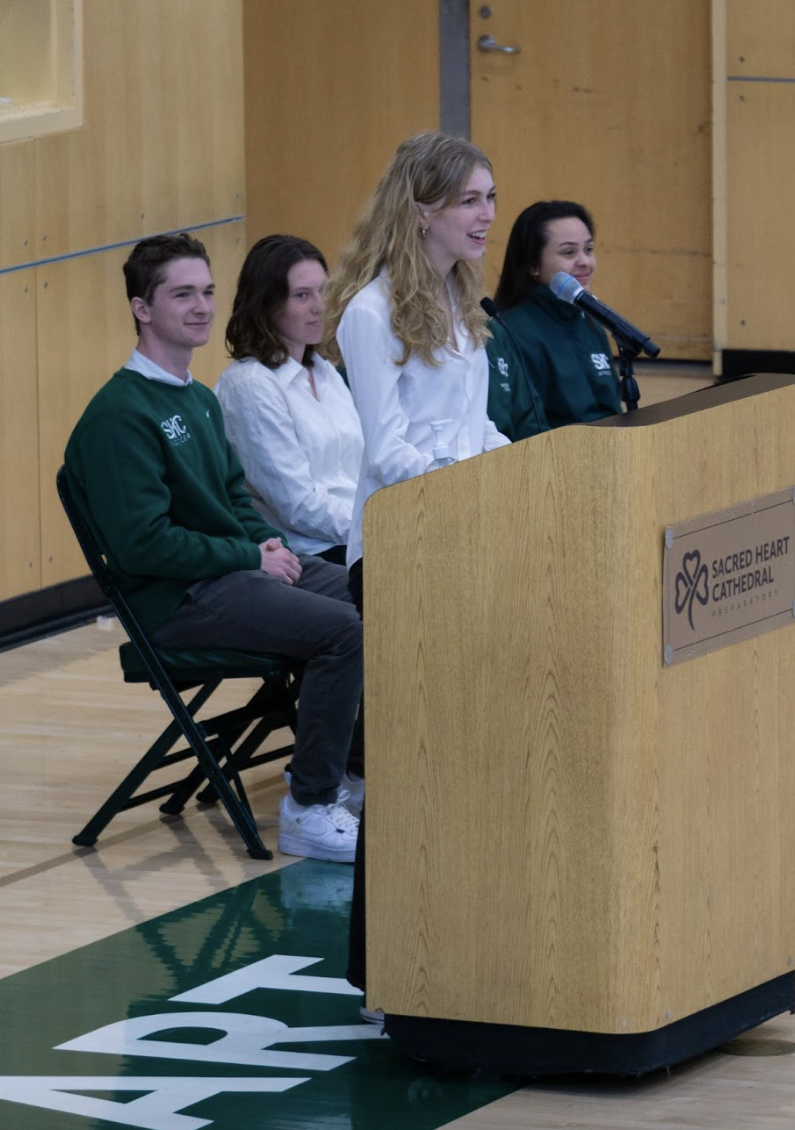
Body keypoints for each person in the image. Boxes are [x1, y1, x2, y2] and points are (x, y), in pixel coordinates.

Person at [64, 233, 362, 863]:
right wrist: (249, 557)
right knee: (341, 629)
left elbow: (235, 501)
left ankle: (349, 774)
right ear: (143, 308)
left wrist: (266, 546)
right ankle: (310, 807)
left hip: (233, 577)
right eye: (181, 294)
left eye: (206, 292)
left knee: (375, 591)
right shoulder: (120, 414)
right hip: (177, 602)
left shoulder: (197, 399)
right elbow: (143, 546)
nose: (200, 306)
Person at [321, 131, 511, 994]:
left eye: (490, 197)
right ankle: (384, 966)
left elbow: (469, 428)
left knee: (465, 756)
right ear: (424, 208)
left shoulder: (460, 300)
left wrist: (529, 463)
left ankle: (462, 944)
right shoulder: (370, 312)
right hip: (403, 550)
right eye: (471, 199)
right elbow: (388, 451)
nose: (487, 215)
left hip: (464, 535)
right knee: (409, 767)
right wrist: (473, 478)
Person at [215, 235, 364, 567]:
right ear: (266, 304)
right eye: (302, 296)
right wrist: (376, 527)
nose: (319, 306)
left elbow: (358, 473)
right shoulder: (250, 385)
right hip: (308, 554)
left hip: (356, 537)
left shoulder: (325, 372)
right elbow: (297, 506)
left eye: (323, 291)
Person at [492, 200, 622, 436]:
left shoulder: (592, 324)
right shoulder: (513, 332)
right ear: (533, 265)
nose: (585, 261)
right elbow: (529, 427)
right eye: (569, 252)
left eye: (589, 249)